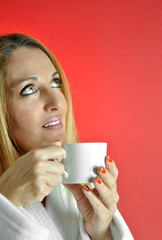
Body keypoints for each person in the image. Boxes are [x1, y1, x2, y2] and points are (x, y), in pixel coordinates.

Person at [0, 33, 134, 240]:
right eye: (29, 89)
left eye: (55, 83)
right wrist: (6, 205)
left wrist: (100, 232)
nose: (58, 102)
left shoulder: (74, 194)